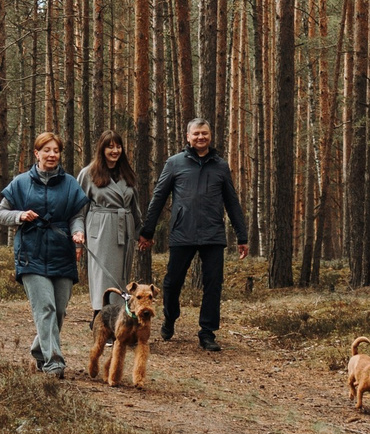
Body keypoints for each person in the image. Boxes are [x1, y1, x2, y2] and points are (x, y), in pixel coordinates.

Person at [137, 117, 249, 351]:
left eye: (204, 134)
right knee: (172, 282)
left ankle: (207, 332)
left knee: (213, 283)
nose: (201, 137)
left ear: (210, 136)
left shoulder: (220, 166)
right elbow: (159, 197)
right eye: (196, 134)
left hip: (213, 233)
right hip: (182, 231)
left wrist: (242, 236)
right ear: (188, 137)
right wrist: (147, 231)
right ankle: (170, 317)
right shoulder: (175, 163)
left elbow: (232, 201)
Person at [0, 131, 85, 376]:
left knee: (59, 311)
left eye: (56, 150)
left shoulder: (70, 184)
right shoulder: (21, 182)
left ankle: (39, 350)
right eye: (47, 150)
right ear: (37, 153)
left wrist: (78, 234)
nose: (52, 155)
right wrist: (20, 216)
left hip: (62, 253)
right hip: (30, 255)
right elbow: (1, 213)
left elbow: (77, 216)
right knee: (45, 308)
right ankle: (54, 361)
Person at [69, 130, 141, 317]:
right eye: (110, 147)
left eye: (118, 146)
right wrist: (78, 239)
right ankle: (100, 318)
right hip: (100, 230)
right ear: (102, 149)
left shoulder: (127, 173)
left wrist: (141, 232)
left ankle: (120, 319)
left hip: (124, 228)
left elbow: (135, 207)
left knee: (122, 276)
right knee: (103, 275)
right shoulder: (88, 173)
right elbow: (78, 208)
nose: (115, 150)